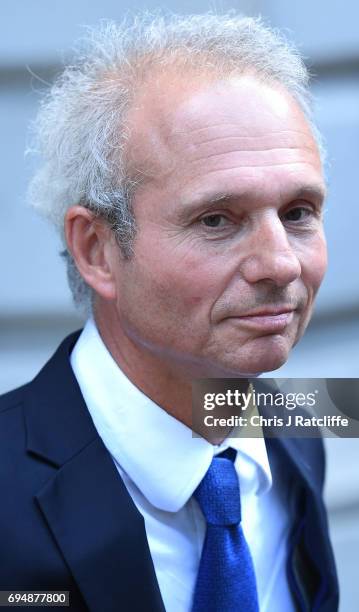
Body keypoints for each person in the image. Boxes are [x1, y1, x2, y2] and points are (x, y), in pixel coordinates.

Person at [0, 13, 338, 612]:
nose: (281, 265)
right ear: (96, 250)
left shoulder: (296, 426)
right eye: (216, 220)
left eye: (298, 212)